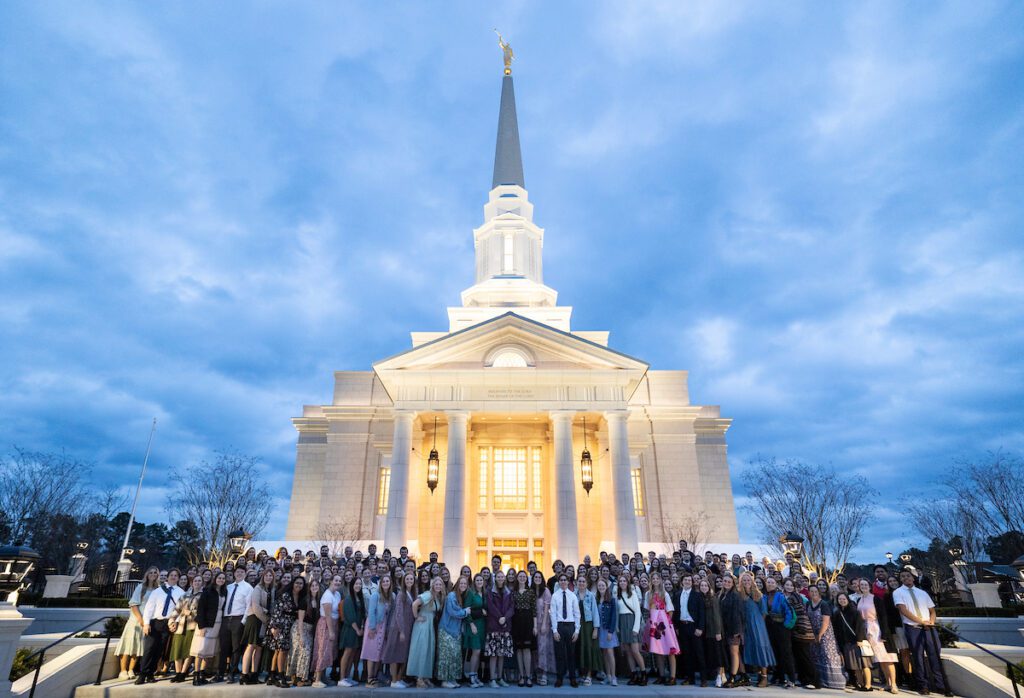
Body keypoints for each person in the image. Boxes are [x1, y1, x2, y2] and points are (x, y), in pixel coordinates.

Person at [893, 569, 953, 697]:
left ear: (913, 578)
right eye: (902, 577)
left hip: (929, 629)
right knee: (918, 658)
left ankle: (941, 686)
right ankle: (923, 686)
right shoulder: (898, 592)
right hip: (913, 628)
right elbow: (903, 610)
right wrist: (921, 622)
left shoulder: (922, 593)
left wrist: (931, 622)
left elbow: (932, 610)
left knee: (934, 656)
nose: (905, 578)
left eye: (908, 576)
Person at [136, 568, 184, 685]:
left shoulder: (181, 592)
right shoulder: (158, 591)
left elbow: (181, 610)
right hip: (155, 622)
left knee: (159, 650)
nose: (173, 577)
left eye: (175, 575)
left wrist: (175, 622)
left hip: (168, 624)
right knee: (149, 649)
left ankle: (150, 673)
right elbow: (149, 608)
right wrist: (146, 623)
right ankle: (142, 674)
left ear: (178, 578)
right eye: (171, 575)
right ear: (167, 577)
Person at [116, 566, 160, 680]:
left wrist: (147, 621)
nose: (153, 574)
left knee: (138, 647)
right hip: (136, 621)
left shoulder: (157, 590)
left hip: (147, 623)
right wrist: (140, 619)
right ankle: (123, 670)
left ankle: (131, 669)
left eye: (155, 572)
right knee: (128, 645)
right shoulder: (141, 587)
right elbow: (133, 604)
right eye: (151, 572)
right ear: (147, 574)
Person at [857, 578, 899, 694]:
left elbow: (883, 616)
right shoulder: (859, 600)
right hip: (866, 630)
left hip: (878, 629)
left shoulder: (876, 599)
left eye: (865, 584)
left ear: (869, 586)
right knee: (880, 659)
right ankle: (887, 683)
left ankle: (894, 684)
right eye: (861, 585)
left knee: (887, 658)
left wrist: (884, 632)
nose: (864, 586)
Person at [268, 575, 306, 687]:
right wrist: (274, 627)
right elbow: (277, 610)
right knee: (282, 651)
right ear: (292, 584)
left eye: (301, 583)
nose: (298, 585)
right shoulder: (285, 595)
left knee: (278, 651)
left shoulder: (300, 596)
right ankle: (280, 677)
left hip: (290, 625)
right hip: (280, 624)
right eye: (297, 583)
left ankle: (272, 675)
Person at [738, 571, 775, 688]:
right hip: (746, 626)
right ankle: (759, 674)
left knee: (761, 648)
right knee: (753, 649)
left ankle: (764, 677)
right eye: (744, 580)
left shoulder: (758, 595)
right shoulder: (740, 596)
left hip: (758, 625)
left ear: (752, 581)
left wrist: (759, 624)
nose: (746, 582)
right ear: (741, 582)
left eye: (748, 580)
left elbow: (764, 612)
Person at [191, 570, 227, 686]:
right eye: (219, 578)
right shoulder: (207, 591)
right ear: (215, 579)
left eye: (223, 578)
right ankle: (196, 676)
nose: (221, 580)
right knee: (200, 650)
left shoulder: (223, 592)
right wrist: (201, 626)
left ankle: (202, 674)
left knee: (208, 651)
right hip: (206, 624)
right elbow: (201, 609)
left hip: (217, 624)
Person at [217, 566, 253, 683]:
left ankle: (232, 673)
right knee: (223, 647)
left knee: (236, 648)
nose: (239, 573)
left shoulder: (248, 588)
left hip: (238, 619)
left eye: (242, 572)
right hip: (226, 619)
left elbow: (249, 606)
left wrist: (243, 621)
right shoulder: (228, 587)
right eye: (237, 572)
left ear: (245, 574)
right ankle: (220, 673)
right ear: (234, 573)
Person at [807, 585, 845, 689]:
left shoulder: (823, 604)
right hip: (813, 633)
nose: (814, 593)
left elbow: (826, 621)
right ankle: (819, 680)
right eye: (811, 591)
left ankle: (834, 682)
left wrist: (820, 635)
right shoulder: (808, 604)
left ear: (819, 592)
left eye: (816, 591)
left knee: (828, 655)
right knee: (816, 656)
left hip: (825, 634)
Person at [644, 572, 680, 685]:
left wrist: (667, 624)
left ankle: (673, 677)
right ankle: (662, 675)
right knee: (657, 650)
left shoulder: (665, 594)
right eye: (653, 578)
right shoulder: (648, 594)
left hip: (664, 624)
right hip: (654, 623)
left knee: (670, 650)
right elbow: (647, 609)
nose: (655, 580)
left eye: (657, 578)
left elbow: (670, 610)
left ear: (660, 580)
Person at [382, 571, 416, 688]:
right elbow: (398, 613)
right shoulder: (401, 594)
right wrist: (401, 630)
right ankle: (394, 681)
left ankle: (399, 679)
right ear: (404, 581)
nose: (409, 581)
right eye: (407, 579)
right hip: (397, 628)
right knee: (394, 654)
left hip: (407, 628)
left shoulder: (412, 593)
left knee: (402, 654)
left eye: (411, 579)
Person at [240, 568, 274, 685]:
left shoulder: (271, 590)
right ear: (263, 577)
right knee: (251, 646)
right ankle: (244, 675)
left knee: (259, 648)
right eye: (267, 575)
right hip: (255, 619)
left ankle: (254, 674)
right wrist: (267, 620)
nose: (269, 577)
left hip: (264, 622)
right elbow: (255, 607)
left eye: (271, 576)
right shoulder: (258, 589)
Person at [438, 575, 472, 688]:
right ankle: (444, 680)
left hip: (455, 631)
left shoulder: (461, 596)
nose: (463, 585)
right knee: (446, 656)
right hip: (446, 630)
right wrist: (465, 612)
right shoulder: (452, 596)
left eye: (465, 584)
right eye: (461, 583)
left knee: (454, 656)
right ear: (457, 584)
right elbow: (452, 612)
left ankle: (451, 679)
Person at [673, 574, 707, 687]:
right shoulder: (677, 595)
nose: (687, 582)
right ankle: (690, 678)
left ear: (692, 582)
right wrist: (677, 627)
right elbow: (676, 612)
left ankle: (703, 679)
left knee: (699, 653)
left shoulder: (697, 595)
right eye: (685, 580)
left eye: (689, 580)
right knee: (687, 654)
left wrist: (700, 628)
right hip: (682, 627)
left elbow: (702, 613)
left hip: (694, 627)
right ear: (682, 582)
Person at [168, 575, 203, 683]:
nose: (197, 582)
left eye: (199, 581)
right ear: (192, 583)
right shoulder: (185, 595)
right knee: (177, 649)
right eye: (195, 581)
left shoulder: (203, 596)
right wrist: (172, 620)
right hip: (181, 625)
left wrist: (192, 613)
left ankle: (183, 672)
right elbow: (177, 609)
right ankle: (178, 673)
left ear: (202, 583)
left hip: (193, 626)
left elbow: (203, 612)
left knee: (189, 651)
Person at [763, 576, 797, 688]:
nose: (770, 584)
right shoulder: (764, 596)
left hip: (782, 627)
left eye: (772, 582)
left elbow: (789, 612)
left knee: (786, 653)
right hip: (771, 628)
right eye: (768, 582)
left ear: (776, 584)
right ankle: (779, 676)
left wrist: (786, 626)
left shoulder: (780, 596)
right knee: (776, 653)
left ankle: (791, 678)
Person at [361, 573, 393, 687]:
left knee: (378, 652)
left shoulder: (391, 596)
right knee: (371, 651)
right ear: (380, 584)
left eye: (387, 581)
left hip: (383, 626)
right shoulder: (376, 595)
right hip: (374, 625)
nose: (385, 583)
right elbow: (371, 612)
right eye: (383, 581)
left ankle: (375, 676)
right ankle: (369, 678)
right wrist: (372, 628)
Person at [833, 591, 869, 690]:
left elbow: (860, 626)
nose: (842, 601)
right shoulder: (837, 613)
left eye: (844, 599)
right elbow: (836, 628)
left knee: (862, 663)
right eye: (840, 599)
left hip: (856, 641)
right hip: (845, 641)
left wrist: (860, 639)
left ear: (848, 600)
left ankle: (867, 684)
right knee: (852, 664)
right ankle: (857, 682)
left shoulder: (854, 611)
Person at [550, 573, 581, 688]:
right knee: (560, 654)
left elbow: (577, 613)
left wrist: (577, 630)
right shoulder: (555, 596)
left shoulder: (572, 596)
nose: (563, 582)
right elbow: (552, 613)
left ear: (568, 582)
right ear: (558, 582)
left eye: (565, 580)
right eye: (561, 580)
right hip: (559, 626)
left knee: (571, 653)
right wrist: (554, 630)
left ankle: (573, 678)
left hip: (571, 626)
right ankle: (559, 678)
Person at [484, 569, 514, 688]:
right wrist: (500, 617)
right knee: (493, 654)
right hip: (494, 626)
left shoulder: (508, 592)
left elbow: (512, 607)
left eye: (502, 577)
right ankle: (492, 679)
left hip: (505, 627)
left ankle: (500, 678)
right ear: (495, 578)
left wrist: (505, 618)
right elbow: (490, 606)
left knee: (502, 654)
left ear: (504, 578)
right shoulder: (490, 591)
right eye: (498, 577)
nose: (501, 578)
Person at [616, 573, 647, 685]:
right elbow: (617, 612)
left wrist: (636, 628)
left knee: (635, 651)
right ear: (618, 584)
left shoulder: (632, 594)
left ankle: (643, 674)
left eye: (624, 581)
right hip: (622, 622)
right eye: (621, 581)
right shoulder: (618, 596)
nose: (623, 583)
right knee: (628, 652)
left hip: (632, 621)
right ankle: (634, 675)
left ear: (627, 583)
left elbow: (638, 612)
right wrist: (617, 627)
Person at [313, 575, 342, 688]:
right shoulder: (327, 595)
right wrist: (331, 631)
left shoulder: (337, 594)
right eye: (336, 580)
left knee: (329, 651)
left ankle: (324, 677)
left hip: (334, 624)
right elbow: (328, 615)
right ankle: (317, 679)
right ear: (331, 581)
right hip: (326, 624)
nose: (338, 582)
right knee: (323, 650)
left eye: (340, 581)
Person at [288, 577, 319, 686]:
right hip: (300, 628)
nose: (314, 588)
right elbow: (300, 620)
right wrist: (301, 636)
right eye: (312, 586)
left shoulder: (318, 601)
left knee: (307, 653)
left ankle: (304, 677)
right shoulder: (305, 600)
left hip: (310, 630)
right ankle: (297, 677)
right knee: (302, 651)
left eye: (316, 586)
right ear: (309, 588)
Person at [718, 574, 745, 688]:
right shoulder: (722, 594)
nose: (726, 583)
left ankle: (733, 677)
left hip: (734, 628)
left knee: (734, 652)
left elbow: (739, 614)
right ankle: (744, 675)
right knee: (736, 652)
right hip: (725, 628)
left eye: (729, 582)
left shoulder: (735, 595)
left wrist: (737, 630)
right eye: (725, 581)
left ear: (733, 583)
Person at [511, 570, 537, 687]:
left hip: (528, 621)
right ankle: (521, 676)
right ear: (517, 578)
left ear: (526, 579)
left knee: (527, 649)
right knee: (519, 649)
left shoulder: (531, 592)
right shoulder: (513, 592)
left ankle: (528, 676)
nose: (522, 578)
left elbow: (534, 610)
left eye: (524, 576)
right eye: (520, 576)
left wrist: (535, 626)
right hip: (516, 621)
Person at [338, 577, 366, 687]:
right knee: (347, 653)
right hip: (351, 630)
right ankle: (341, 679)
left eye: (360, 584)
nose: (358, 586)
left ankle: (346, 677)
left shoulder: (359, 597)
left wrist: (362, 627)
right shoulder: (349, 599)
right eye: (356, 584)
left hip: (358, 630)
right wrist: (358, 630)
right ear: (352, 585)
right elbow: (350, 616)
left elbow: (362, 614)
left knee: (353, 654)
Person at [462, 574, 488, 688]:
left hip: (483, 625)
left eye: (481, 580)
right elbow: (466, 611)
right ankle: (471, 676)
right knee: (476, 651)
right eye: (477, 580)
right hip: (474, 625)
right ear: (474, 582)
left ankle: (476, 675)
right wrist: (471, 624)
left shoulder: (485, 594)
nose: (479, 582)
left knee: (479, 651)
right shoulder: (471, 594)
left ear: (483, 581)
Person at [576, 575, 601, 686]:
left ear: (586, 583)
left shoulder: (591, 596)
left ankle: (589, 675)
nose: (581, 583)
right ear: (577, 583)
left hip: (588, 625)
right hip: (577, 626)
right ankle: (582, 673)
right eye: (580, 581)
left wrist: (595, 629)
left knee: (589, 649)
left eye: (583, 581)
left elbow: (595, 612)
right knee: (580, 648)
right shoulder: (573, 595)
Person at [532, 570, 555, 685]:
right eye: (535, 577)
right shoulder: (530, 591)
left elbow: (547, 609)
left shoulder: (546, 591)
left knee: (543, 648)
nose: (537, 578)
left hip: (543, 622)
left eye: (539, 577)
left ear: (542, 578)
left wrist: (545, 623)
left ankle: (544, 674)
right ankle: (537, 672)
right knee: (535, 649)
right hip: (532, 623)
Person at [595, 578, 619, 686]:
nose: (601, 587)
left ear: (606, 587)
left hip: (608, 630)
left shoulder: (612, 600)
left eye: (603, 586)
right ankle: (608, 676)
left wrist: (611, 631)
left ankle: (614, 677)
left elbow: (614, 617)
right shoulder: (596, 599)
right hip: (600, 629)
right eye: (599, 586)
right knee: (604, 653)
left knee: (610, 653)